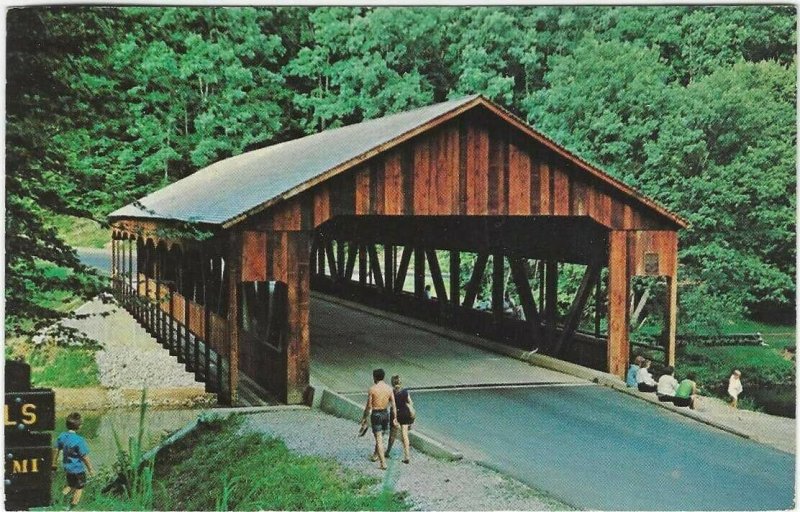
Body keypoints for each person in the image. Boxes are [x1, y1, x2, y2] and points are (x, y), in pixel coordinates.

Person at [52, 412, 94, 509]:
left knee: (71, 485)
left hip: (67, 468)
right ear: (79, 426)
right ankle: (73, 507)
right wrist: (90, 469)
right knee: (80, 487)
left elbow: (56, 449)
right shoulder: (79, 440)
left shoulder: (62, 436)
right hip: (78, 469)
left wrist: (54, 464)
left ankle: (58, 499)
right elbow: (85, 457)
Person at [360, 368, 398, 470]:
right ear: (383, 377)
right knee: (381, 436)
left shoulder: (372, 389)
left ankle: (383, 463)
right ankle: (375, 455)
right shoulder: (389, 389)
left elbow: (368, 407)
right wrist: (395, 418)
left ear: (374, 377)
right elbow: (393, 404)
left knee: (379, 439)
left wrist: (364, 418)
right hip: (386, 413)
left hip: (376, 414)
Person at [386, 375, 415, 464]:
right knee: (405, 435)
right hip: (405, 413)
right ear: (400, 382)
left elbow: (388, 403)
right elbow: (411, 402)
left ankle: (387, 452)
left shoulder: (391, 392)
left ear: (392, 383)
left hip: (396, 414)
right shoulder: (405, 392)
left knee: (393, 434)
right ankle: (407, 456)